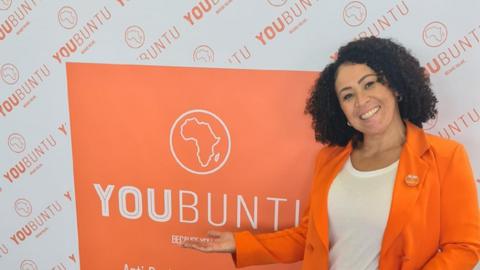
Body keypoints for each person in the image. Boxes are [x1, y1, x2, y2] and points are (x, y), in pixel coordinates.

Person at [181, 37, 480, 269]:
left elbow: (465, 247)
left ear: (396, 88)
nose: (362, 101)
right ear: (342, 111)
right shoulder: (329, 160)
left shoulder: (444, 157)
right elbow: (308, 237)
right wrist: (239, 243)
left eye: (370, 84)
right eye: (348, 95)